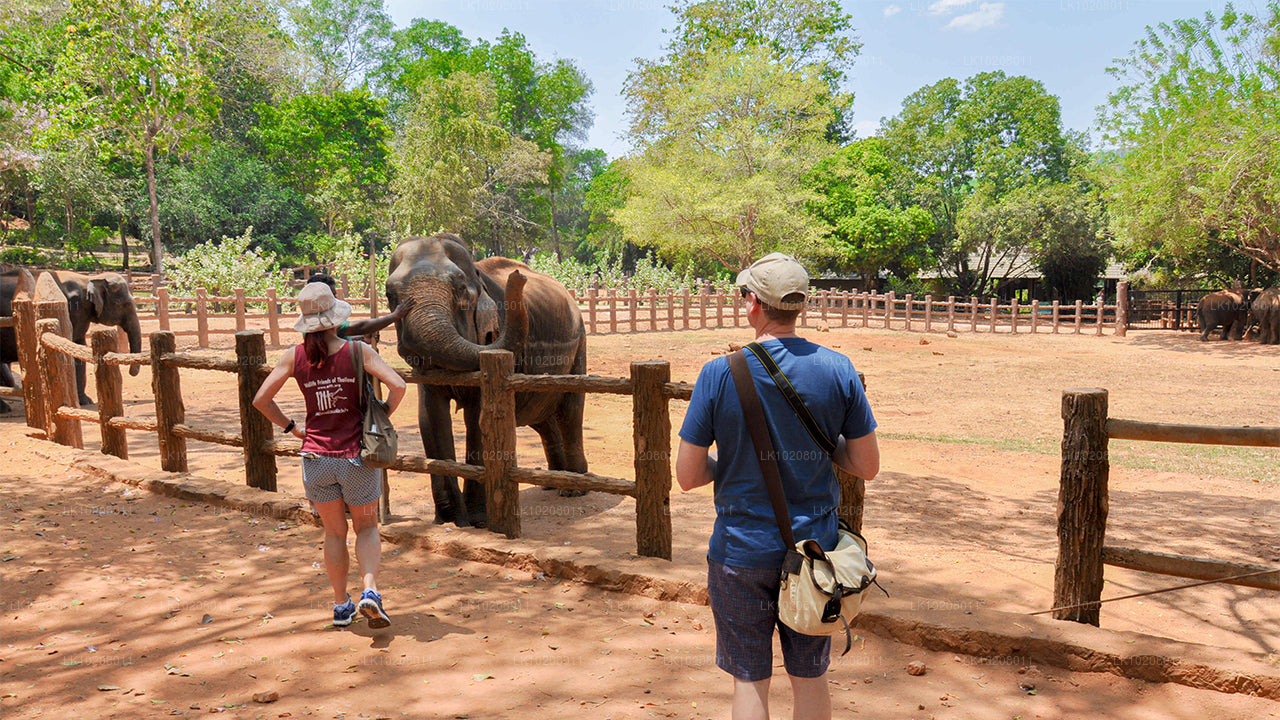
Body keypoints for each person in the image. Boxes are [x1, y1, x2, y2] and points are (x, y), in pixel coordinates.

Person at [675, 252, 880, 720]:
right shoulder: (839, 369)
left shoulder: (718, 373)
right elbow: (866, 465)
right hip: (816, 557)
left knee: (749, 678)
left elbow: (687, 476)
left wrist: (726, 467)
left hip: (739, 553)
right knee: (810, 677)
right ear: (798, 306)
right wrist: (820, 449)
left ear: (753, 303)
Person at [253, 282, 407, 629]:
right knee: (366, 527)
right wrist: (380, 415)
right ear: (334, 315)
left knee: (334, 533)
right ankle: (370, 592)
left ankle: (341, 606)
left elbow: (261, 400)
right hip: (355, 457)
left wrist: (293, 428)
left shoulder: (294, 357)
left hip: (316, 460)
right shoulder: (358, 352)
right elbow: (398, 385)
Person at [305, 273, 412, 343]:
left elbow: (338, 338)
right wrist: (395, 316)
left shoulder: (315, 316)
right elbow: (359, 327)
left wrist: (362, 338)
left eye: (335, 295)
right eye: (331, 295)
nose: (335, 299)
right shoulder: (321, 321)